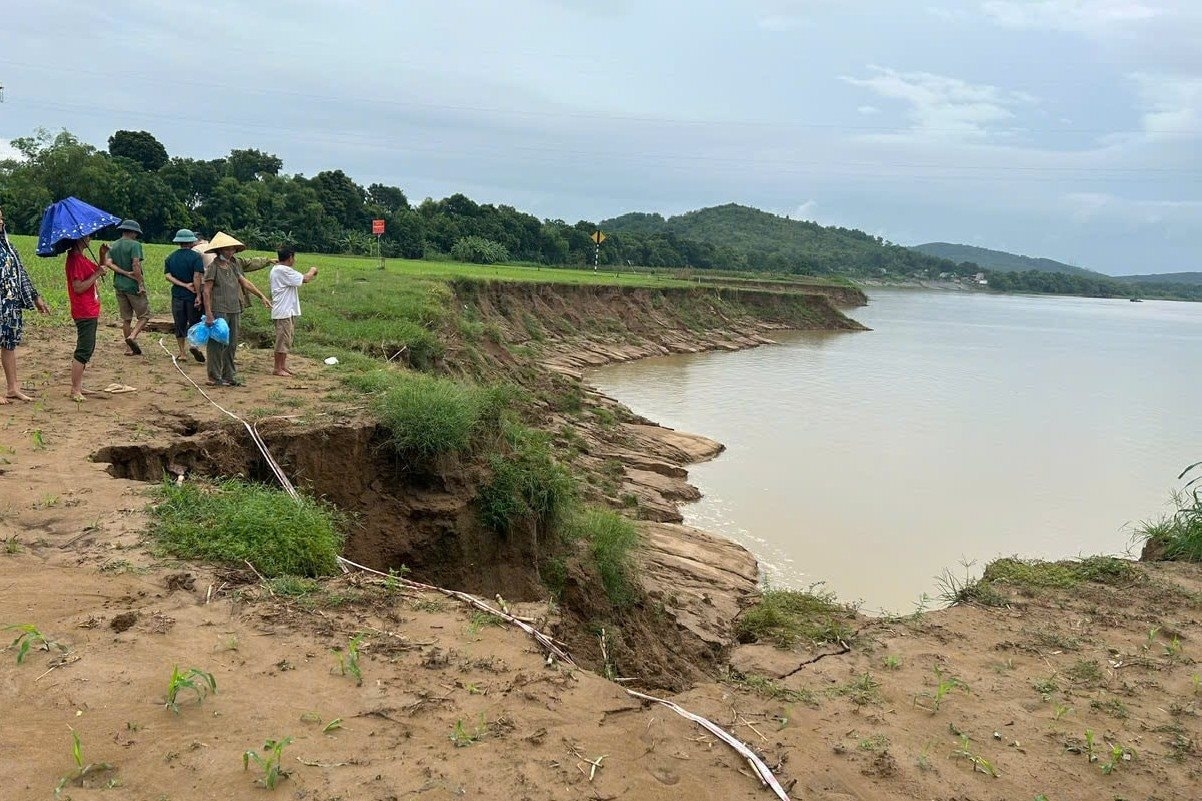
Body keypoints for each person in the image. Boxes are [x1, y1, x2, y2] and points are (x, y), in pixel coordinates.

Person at [201, 232, 270, 387]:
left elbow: (245, 282)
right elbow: (206, 291)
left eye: (232, 249)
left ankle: (228, 376)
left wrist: (261, 296)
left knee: (231, 344)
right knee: (217, 344)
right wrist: (209, 313)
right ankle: (213, 376)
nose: (230, 252)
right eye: (227, 249)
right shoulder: (213, 267)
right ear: (220, 250)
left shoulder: (233, 265)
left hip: (235, 309)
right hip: (219, 310)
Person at [0, 206, 52, 403]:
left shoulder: (9, 248)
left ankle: (13, 388)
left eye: (1, 218)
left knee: (9, 345)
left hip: (10, 304)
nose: (1, 222)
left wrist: (36, 297)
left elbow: (22, 274)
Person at [65, 236, 107, 401]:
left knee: (88, 347)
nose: (89, 238)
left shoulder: (81, 258)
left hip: (90, 309)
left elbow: (98, 270)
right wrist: (97, 273)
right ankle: (75, 389)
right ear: (78, 240)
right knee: (84, 349)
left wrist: (102, 255)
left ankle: (79, 386)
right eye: (87, 237)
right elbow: (78, 287)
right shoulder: (75, 260)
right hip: (84, 310)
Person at [268, 246, 318, 377]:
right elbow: (305, 278)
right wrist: (313, 270)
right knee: (282, 340)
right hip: (283, 311)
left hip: (287, 310)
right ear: (290, 257)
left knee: (286, 340)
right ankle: (277, 368)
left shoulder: (280, 270)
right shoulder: (283, 270)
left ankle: (282, 366)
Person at [163, 228, 206, 363]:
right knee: (194, 322)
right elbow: (197, 276)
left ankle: (182, 353)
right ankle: (194, 346)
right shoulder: (196, 257)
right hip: (192, 296)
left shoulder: (170, 257)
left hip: (177, 295)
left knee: (179, 323)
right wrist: (198, 295)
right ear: (191, 242)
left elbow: (168, 276)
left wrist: (182, 285)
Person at [108, 219, 149, 356]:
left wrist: (122, 272)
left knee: (126, 319)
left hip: (119, 285)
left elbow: (108, 263)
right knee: (144, 315)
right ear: (133, 232)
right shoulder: (135, 245)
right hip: (133, 286)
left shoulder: (113, 245)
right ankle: (132, 337)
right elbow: (136, 265)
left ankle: (128, 348)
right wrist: (140, 283)